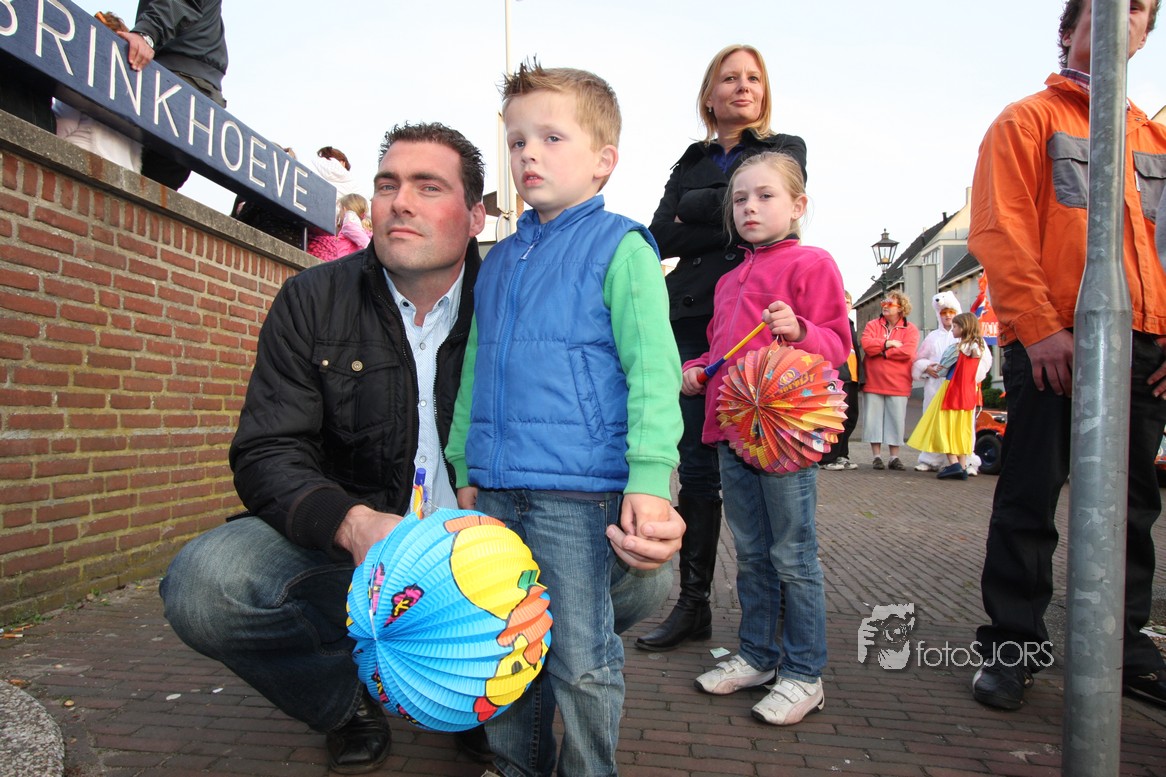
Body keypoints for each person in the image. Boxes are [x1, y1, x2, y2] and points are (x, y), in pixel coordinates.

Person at [158, 122, 683, 775]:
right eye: (387, 185)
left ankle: (489, 688)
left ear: (475, 216)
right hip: (360, 549)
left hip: (498, 550)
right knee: (206, 585)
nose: (399, 203)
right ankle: (346, 699)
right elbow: (266, 450)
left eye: (427, 187)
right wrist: (350, 523)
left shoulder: (519, 298)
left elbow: (615, 395)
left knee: (642, 578)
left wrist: (652, 496)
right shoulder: (311, 299)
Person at [446, 63, 683, 777]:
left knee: (580, 659)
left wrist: (649, 478)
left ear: (604, 160)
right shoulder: (497, 262)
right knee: (507, 648)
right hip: (496, 490)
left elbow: (654, 373)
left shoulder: (622, 248)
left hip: (576, 496)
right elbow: (476, 367)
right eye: (518, 142)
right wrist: (464, 462)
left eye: (552, 138)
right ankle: (515, 765)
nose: (530, 155)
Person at [969, 0, 1166, 711]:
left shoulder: (1155, 138)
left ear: (1143, 36)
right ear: (1070, 29)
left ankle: (1124, 645)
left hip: (1145, 343)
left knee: (1134, 504)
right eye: (1110, 5)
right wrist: (1039, 327)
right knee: (1030, 495)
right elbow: (999, 229)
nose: (1125, 16)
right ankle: (1013, 645)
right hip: (1057, 341)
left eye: (1140, 9)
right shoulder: (1026, 121)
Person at [639, 43, 808, 653]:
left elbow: (760, 219)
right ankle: (694, 604)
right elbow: (659, 234)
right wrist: (714, 215)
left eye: (753, 78)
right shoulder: (690, 158)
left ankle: (778, 607)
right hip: (690, 317)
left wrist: (697, 210)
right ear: (709, 95)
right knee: (696, 467)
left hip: (757, 319)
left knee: (767, 458)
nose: (743, 86)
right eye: (730, 78)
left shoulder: (784, 149)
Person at [686, 151, 848, 726]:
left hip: (785, 436)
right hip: (734, 433)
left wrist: (801, 330)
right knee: (752, 553)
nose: (749, 207)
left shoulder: (813, 263)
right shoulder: (728, 280)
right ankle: (758, 655)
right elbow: (719, 350)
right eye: (739, 199)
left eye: (765, 196)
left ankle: (804, 673)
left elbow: (838, 344)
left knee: (793, 555)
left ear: (798, 205)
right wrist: (697, 369)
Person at [119, 0, 228, 190]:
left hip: (180, 81)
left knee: (143, 184)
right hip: (197, 86)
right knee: (152, 188)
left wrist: (146, 34)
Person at [911, 292, 995, 475]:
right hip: (938, 388)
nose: (947, 316)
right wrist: (926, 367)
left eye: (951, 312)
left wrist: (968, 376)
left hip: (958, 390)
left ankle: (962, 461)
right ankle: (932, 458)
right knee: (939, 424)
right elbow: (919, 359)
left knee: (957, 425)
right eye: (943, 312)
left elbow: (984, 362)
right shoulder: (933, 337)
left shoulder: (968, 343)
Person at [860, 290, 919, 471]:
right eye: (883, 303)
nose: (885, 306)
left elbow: (907, 352)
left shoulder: (910, 329)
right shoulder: (872, 325)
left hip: (899, 383)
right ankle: (876, 457)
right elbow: (867, 345)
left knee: (896, 419)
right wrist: (888, 343)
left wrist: (882, 353)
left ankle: (894, 457)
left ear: (900, 308)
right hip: (873, 381)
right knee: (873, 419)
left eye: (889, 304)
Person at [821, 290, 862, 471]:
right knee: (837, 418)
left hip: (853, 377)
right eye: (842, 301)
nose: (845, 305)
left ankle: (842, 454)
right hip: (838, 376)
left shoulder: (850, 324)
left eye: (848, 302)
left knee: (851, 417)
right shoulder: (832, 322)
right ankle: (827, 457)